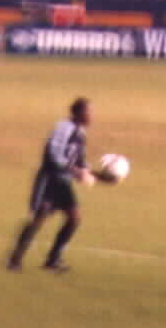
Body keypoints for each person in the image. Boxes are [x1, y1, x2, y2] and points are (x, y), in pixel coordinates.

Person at [8, 98, 114, 273]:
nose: (92, 116)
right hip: (49, 180)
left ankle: (52, 260)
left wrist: (101, 176)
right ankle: (15, 260)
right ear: (78, 113)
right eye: (89, 112)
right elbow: (53, 154)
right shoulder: (63, 128)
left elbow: (79, 162)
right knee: (39, 219)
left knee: (74, 218)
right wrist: (75, 171)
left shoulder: (80, 133)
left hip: (63, 182)